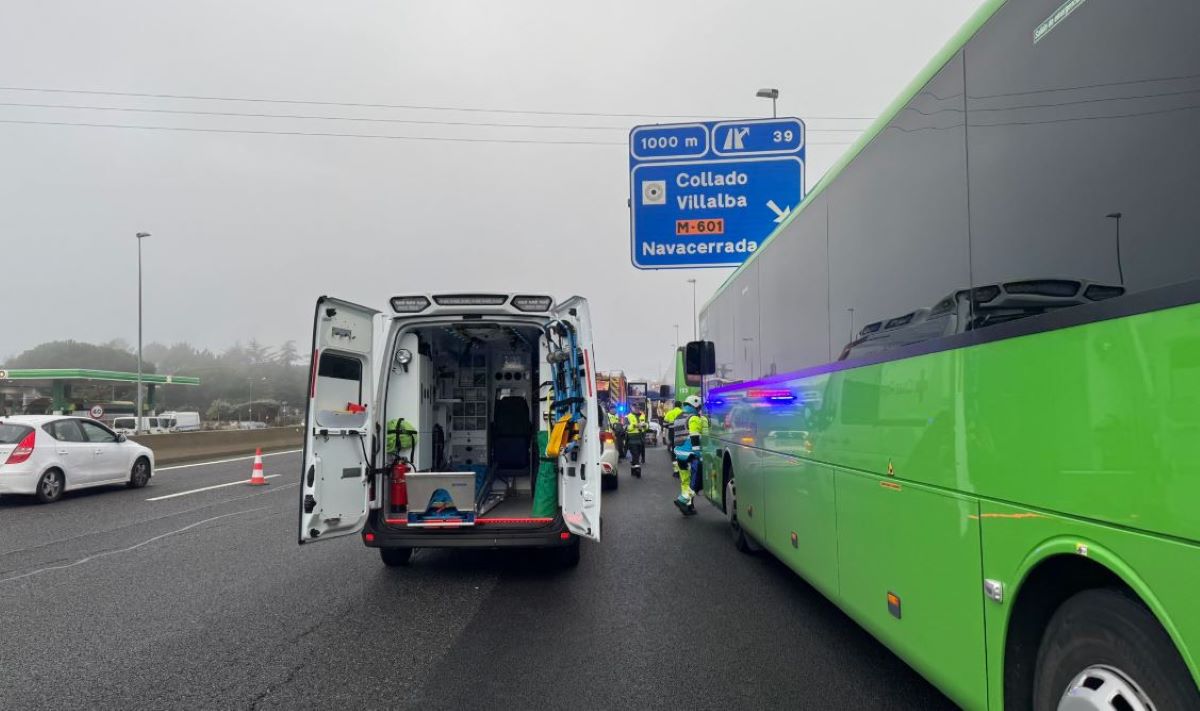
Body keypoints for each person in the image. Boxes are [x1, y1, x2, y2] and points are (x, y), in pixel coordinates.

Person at [672, 395, 705, 515]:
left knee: (685, 481)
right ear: (695, 405)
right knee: (696, 481)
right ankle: (683, 500)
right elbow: (694, 436)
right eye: (699, 407)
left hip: (679, 454)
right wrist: (698, 453)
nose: (699, 409)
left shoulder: (678, 417)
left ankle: (688, 506)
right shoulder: (694, 418)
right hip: (690, 454)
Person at [625, 405, 647, 478]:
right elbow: (626, 427)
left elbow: (647, 425)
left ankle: (633, 469)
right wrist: (635, 425)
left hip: (641, 438)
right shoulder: (628, 416)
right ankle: (638, 469)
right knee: (635, 454)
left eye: (638, 408)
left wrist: (644, 425)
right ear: (632, 409)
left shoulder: (643, 416)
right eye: (636, 408)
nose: (637, 410)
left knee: (637, 455)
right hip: (632, 438)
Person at [662, 400, 683, 471]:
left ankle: (676, 470)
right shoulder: (683, 413)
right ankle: (682, 467)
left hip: (672, 433)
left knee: (674, 450)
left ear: (674, 406)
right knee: (681, 449)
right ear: (681, 406)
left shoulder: (669, 413)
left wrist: (670, 426)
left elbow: (664, 424)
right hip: (682, 434)